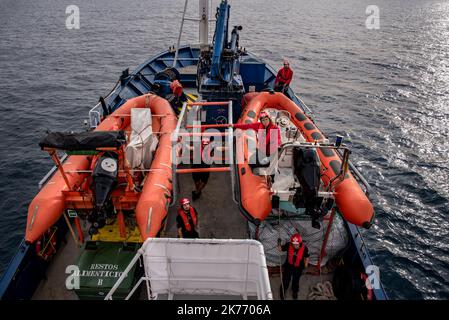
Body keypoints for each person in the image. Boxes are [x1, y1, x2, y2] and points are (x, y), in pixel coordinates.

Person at [277, 233, 310, 300]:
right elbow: (281, 249)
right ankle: (283, 291)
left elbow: (307, 257)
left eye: (297, 244)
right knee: (285, 279)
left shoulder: (305, 248)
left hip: (298, 268)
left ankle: (295, 291)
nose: (295, 246)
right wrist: (279, 246)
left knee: (296, 280)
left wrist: (306, 265)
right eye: (294, 244)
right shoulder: (289, 245)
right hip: (289, 266)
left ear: (300, 243)